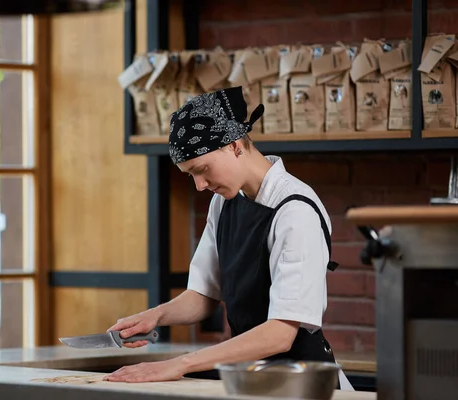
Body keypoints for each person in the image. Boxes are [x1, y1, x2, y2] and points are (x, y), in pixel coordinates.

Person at [103, 86, 353, 391]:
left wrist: (179, 364)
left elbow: (280, 333)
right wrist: (155, 316)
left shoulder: (295, 211)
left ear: (234, 146)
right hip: (251, 379)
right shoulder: (224, 203)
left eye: (202, 170)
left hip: (305, 386)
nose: (199, 185)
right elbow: (205, 294)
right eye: (189, 175)